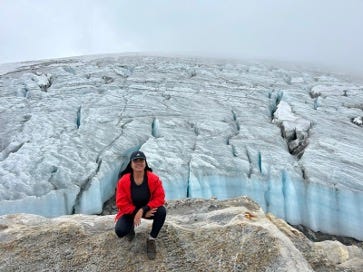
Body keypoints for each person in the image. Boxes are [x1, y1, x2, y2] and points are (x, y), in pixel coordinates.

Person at [114, 150, 167, 260]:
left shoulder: (153, 179)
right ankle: (130, 229)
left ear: (145, 163)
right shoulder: (124, 181)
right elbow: (121, 203)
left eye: (141, 160)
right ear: (131, 164)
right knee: (120, 231)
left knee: (161, 211)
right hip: (130, 212)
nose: (139, 163)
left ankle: (152, 239)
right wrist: (136, 212)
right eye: (135, 160)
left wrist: (144, 210)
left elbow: (160, 197)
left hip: (148, 210)